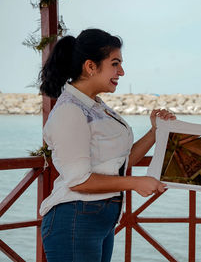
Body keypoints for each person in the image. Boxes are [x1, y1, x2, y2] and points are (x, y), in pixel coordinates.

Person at [39, 28, 176, 262]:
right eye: (115, 63)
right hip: (74, 220)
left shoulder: (95, 106)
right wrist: (135, 183)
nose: (121, 71)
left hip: (99, 220)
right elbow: (79, 180)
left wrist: (155, 132)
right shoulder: (71, 111)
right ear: (90, 66)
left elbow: (121, 163)